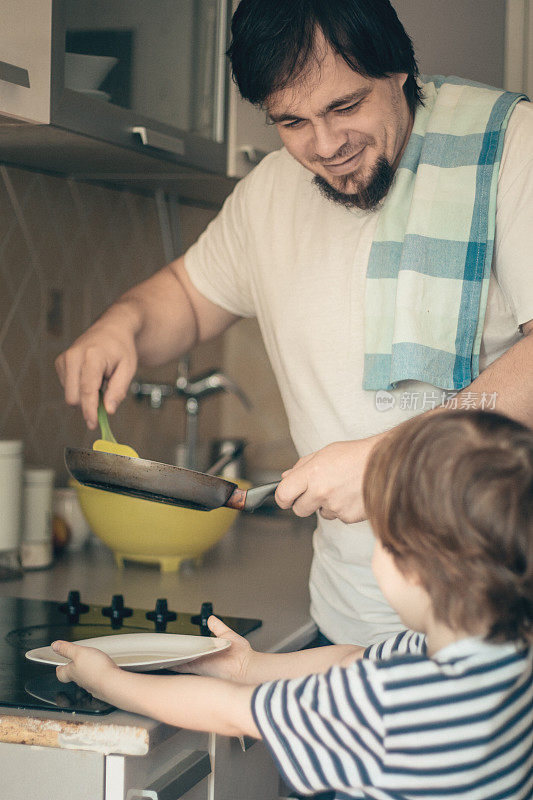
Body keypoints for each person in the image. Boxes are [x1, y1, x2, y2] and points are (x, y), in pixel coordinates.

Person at [55, 0, 533, 647]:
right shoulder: (268, 192)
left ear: (398, 71)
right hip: (351, 628)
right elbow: (189, 299)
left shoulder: (510, 148)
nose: (326, 145)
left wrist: (390, 459)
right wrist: (124, 322)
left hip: (506, 631)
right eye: (291, 121)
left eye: (344, 106)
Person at [53, 409, 533, 799]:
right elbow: (352, 660)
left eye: (381, 536)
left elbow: (231, 712)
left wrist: (109, 681)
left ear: (418, 569)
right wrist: (250, 666)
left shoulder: (394, 703)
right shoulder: (502, 653)